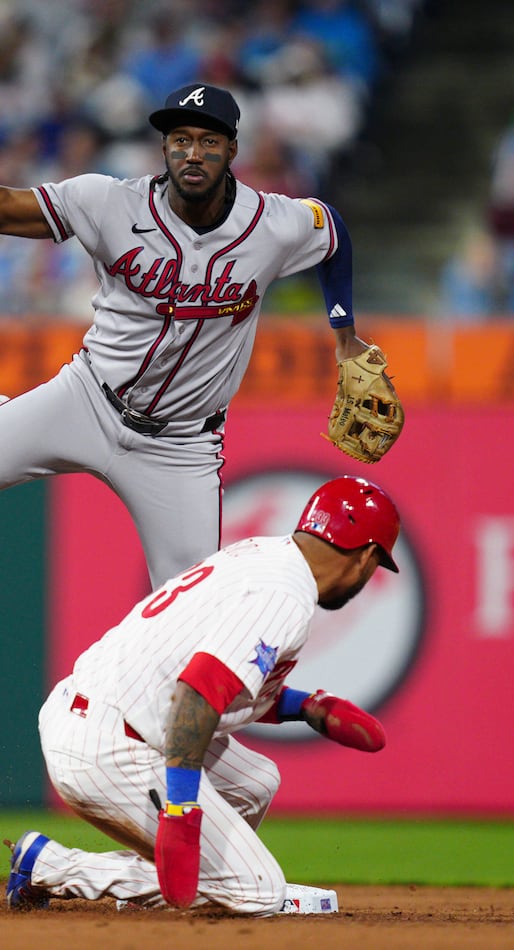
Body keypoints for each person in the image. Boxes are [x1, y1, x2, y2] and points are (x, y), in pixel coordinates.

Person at [0, 81, 374, 589]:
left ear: (232, 149)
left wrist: (345, 335)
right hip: (85, 400)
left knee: (190, 618)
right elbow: (7, 207)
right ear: (164, 148)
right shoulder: (107, 202)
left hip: (181, 448)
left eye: (208, 141)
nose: (192, 153)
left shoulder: (273, 223)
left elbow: (332, 233)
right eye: (180, 140)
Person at [5, 475, 399, 915]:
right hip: (110, 745)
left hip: (102, 713)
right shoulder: (284, 595)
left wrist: (305, 707)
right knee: (259, 891)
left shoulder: (262, 555)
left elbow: (213, 678)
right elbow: (197, 694)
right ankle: (53, 867)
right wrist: (181, 809)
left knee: (255, 783)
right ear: (366, 557)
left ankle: (196, 881)